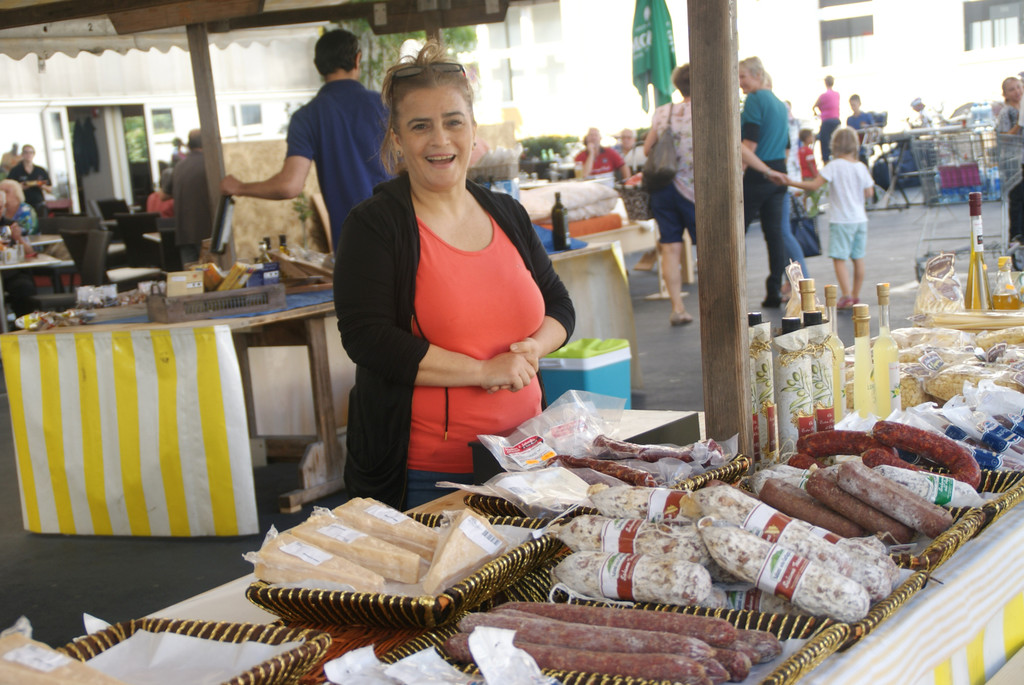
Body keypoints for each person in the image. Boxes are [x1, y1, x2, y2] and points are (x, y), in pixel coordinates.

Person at [333, 42, 575, 509]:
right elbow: (367, 338)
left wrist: (533, 347)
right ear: (397, 138)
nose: (439, 139)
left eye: (452, 121)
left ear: (473, 129)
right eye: (420, 126)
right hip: (431, 476)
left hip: (529, 459)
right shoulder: (375, 224)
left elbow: (559, 304)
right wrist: (483, 370)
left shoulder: (506, 212)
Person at [221, 29, 391, 248]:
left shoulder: (307, 117)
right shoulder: (387, 106)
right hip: (401, 234)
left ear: (317, 66)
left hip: (353, 246)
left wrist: (239, 187)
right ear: (357, 59)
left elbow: (289, 186)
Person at [786, 128, 874, 310]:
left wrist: (789, 181)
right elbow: (869, 192)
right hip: (860, 219)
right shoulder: (861, 167)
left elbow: (814, 185)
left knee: (839, 258)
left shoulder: (833, 166)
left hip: (841, 220)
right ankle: (856, 295)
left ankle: (847, 295)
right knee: (858, 258)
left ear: (834, 145)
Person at [740, 56, 800, 308]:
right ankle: (774, 288)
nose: (740, 82)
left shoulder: (754, 100)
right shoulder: (778, 104)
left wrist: (746, 169)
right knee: (774, 235)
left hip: (758, 173)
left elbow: (748, 144)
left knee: (736, 231)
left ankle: (733, 286)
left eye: (742, 76)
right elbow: (786, 146)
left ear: (756, 75)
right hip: (779, 171)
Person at [642, 64, 696, 326]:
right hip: (695, 190)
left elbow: (646, 149)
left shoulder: (664, 111)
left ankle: (677, 307)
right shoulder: (704, 110)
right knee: (707, 249)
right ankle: (714, 305)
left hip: (663, 188)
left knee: (670, 248)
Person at [164, 129, 210, 265]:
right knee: (212, 280)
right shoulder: (210, 164)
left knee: (191, 280)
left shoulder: (178, 166)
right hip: (206, 232)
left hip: (183, 232)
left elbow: (164, 196)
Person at [0, 179, 39, 317]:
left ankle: (23, 327)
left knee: (24, 287)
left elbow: (30, 252)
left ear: (4, 207)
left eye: (0, 207)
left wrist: (19, 239)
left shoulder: (11, 225)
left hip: (11, 272)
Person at [997, 76, 1024, 242]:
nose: (1017, 91)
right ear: (1005, 94)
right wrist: (1019, 125)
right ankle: (1015, 238)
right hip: (1013, 161)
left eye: (1019, 87)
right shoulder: (1006, 112)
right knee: (1017, 201)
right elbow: (1003, 136)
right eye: (1012, 89)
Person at [6, 144, 51, 220]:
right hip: (22, 206)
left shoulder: (40, 171)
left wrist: (40, 185)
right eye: (26, 152)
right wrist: (20, 187)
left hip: (38, 204)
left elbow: (50, 189)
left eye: (30, 152)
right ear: (22, 154)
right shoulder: (15, 171)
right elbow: (8, 188)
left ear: (34, 154)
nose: (28, 155)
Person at [813, 75, 841, 163]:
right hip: (836, 121)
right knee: (836, 142)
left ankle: (826, 161)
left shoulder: (823, 96)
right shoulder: (837, 94)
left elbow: (814, 106)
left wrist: (817, 113)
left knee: (824, 143)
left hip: (826, 121)